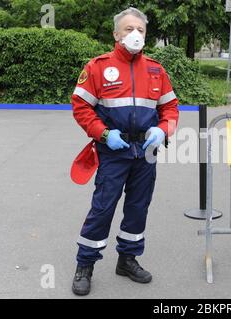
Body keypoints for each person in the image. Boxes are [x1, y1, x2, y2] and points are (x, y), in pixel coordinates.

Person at [71, 7, 179, 295]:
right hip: (113, 150)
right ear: (116, 34)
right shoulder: (97, 67)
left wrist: (163, 130)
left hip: (146, 151)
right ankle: (85, 264)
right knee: (103, 207)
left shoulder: (156, 69)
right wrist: (103, 134)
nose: (135, 35)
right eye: (129, 29)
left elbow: (170, 108)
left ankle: (128, 259)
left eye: (140, 30)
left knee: (138, 207)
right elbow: (81, 107)